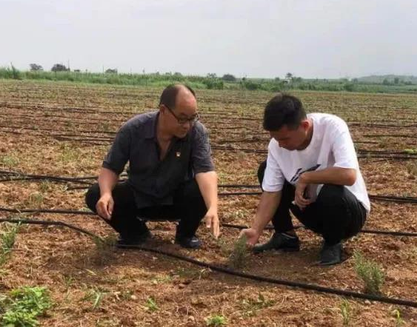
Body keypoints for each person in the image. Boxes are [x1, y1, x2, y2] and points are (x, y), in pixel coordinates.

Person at [239, 93, 369, 266]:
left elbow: (348, 175)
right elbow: (271, 192)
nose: (280, 144)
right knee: (265, 170)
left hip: (347, 213)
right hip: (312, 210)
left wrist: (307, 177)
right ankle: (285, 236)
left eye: (285, 138)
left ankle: (332, 243)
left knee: (331, 190)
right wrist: (256, 229)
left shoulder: (332, 127)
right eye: (275, 138)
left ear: (305, 125)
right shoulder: (277, 146)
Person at [85, 84, 220, 248]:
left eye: (193, 118)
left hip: (175, 200)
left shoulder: (197, 132)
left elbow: (205, 171)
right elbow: (111, 168)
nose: (187, 125)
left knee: (201, 190)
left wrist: (212, 207)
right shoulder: (133, 130)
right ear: (163, 110)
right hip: (139, 198)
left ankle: (185, 235)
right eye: (182, 118)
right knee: (95, 194)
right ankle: (135, 234)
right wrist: (106, 194)